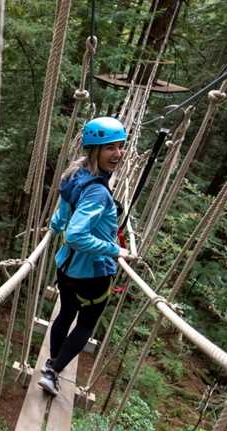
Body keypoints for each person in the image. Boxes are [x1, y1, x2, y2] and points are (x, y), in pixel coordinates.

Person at [38, 116, 136, 397]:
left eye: (121, 146)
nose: (118, 154)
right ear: (95, 150)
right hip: (92, 274)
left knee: (65, 313)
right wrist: (116, 250)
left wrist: (54, 226)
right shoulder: (98, 193)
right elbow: (77, 235)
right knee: (85, 326)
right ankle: (53, 371)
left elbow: (62, 216)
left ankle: (51, 364)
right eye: (110, 148)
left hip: (65, 268)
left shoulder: (75, 174)